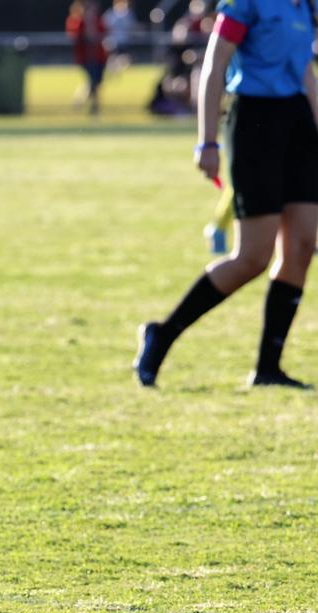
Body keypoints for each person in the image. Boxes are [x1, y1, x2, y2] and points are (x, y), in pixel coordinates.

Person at [135, 0, 318, 389]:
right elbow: (214, 66)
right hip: (255, 124)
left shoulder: (305, 6)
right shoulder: (246, 4)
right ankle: (162, 334)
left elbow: (305, 73)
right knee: (252, 257)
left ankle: (268, 368)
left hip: (298, 124)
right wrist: (208, 142)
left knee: (301, 246)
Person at [66, 0, 109, 115]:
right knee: (93, 81)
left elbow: (104, 33)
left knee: (96, 82)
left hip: (99, 57)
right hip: (85, 57)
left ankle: (80, 101)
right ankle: (94, 107)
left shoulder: (98, 20)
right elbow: (75, 36)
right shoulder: (77, 21)